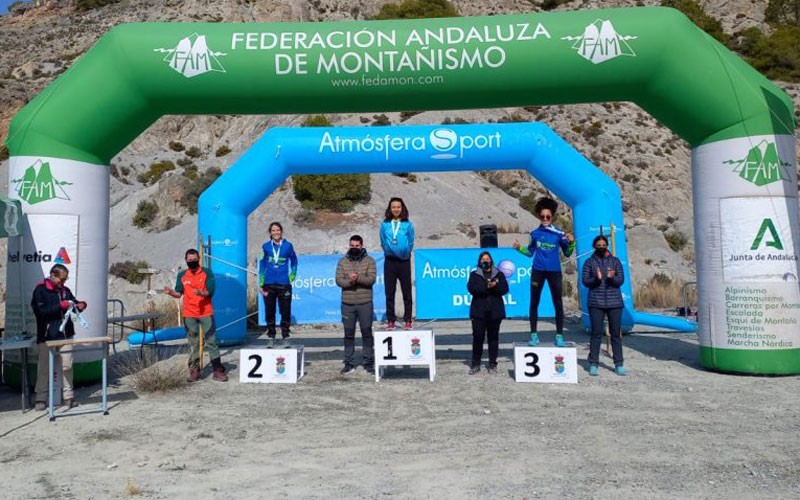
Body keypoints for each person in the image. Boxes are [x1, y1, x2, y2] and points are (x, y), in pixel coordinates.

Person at [513, 197, 575, 347]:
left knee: (557, 303)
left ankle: (559, 335)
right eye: (542, 216)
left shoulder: (559, 234)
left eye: (548, 216)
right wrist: (519, 248)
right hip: (538, 271)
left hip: (554, 272)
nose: (545, 219)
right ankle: (533, 335)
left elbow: (567, 253)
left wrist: (572, 242)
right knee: (534, 302)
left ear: (552, 217)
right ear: (539, 217)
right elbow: (530, 253)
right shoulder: (534, 233)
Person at [164, 249, 227, 382]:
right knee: (193, 342)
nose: (192, 261)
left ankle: (218, 370)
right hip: (189, 314)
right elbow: (178, 293)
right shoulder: (182, 275)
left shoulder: (206, 272)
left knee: (211, 341)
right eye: (189, 260)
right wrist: (170, 292)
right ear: (186, 260)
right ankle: (194, 371)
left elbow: (210, 291)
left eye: (194, 259)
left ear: (198, 258)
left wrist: (202, 293)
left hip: (205, 313)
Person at [32, 264, 87, 410]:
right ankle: (40, 399)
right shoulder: (40, 290)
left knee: (67, 366)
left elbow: (73, 304)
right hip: (46, 336)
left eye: (65, 279)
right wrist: (60, 306)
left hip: (66, 334)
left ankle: (68, 397)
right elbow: (41, 312)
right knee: (44, 367)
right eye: (61, 280)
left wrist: (80, 305)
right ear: (53, 275)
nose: (63, 283)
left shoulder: (65, 290)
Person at [582, 235, 626, 376]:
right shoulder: (589, 262)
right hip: (596, 303)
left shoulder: (615, 261)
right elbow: (585, 281)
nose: (601, 247)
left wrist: (612, 278)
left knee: (615, 334)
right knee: (596, 334)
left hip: (615, 303)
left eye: (603, 245)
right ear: (594, 246)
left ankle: (618, 363)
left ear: (607, 245)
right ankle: (593, 363)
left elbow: (621, 280)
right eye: (598, 245)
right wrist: (596, 278)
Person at [335, 235, 377, 375]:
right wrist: (350, 281)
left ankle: (368, 363)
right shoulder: (342, 261)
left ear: (362, 245)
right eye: (352, 246)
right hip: (347, 304)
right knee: (348, 335)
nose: (354, 248)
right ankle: (348, 363)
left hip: (365, 303)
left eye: (357, 246)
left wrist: (358, 278)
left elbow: (371, 279)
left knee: (367, 333)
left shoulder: (369, 261)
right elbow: (339, 281)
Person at [467, 251, 509, 375]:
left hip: (495, 312)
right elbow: (472, 289)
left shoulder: (499, 274)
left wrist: (495, 286)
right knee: (478, 338)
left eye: (487, 259)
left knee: (493, 338)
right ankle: (475, 364)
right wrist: (487, 286)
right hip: (479, 312)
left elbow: (504, 289)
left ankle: (492, 364)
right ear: (480, 262)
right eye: (483, 259)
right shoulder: (474, 275)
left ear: (491, 260)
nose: (485, 261)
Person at [258, 222, 298, 348]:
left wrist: (292, 276)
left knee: (285, 311)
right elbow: (262, 264)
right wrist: (260, 282)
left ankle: (285, 336)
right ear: (270, 232)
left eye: (278, 230)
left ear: (281, 231)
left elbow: (294, 261)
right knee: (270, 311)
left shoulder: (288, 246)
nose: (276, 232)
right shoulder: (265, 247)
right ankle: (271, 336)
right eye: (273, 230)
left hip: (284, 284)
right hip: (268, 284)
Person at [379, 197, 415, 331]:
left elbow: (411, 241)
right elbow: (383, 240)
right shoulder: (385, 224)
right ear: (390, 209)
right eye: (393, 207)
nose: (396, 209)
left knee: (407, 291)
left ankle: (408, 320)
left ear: (402, 208)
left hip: (404, 261)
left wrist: (405, 252)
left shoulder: (408, 224)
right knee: (389, 292)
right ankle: (390, 320)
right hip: (390, 261)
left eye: (398, 207)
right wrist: (389, 250)